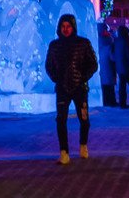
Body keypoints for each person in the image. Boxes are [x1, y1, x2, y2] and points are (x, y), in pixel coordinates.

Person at [44, 13, 97, 165]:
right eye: (63, 26)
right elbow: (49, 65)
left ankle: (83, 145)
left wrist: (82, 76)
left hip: (80, 88)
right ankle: (64, 152)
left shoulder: (83, 43)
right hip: (62, 88)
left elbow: (93, 63)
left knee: (84, 119)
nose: (66, 29)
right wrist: (56, 77)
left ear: (73, 27)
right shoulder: (54, 46)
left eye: (68, 26)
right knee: (61, 120)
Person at [96, 22, 117, 107]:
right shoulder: (107, 40)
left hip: (102, 64)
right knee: (109, 85)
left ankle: (107, 101)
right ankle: (110, 101)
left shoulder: (98, 39)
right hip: (107, 63)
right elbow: (112, 56)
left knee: (106, 85)